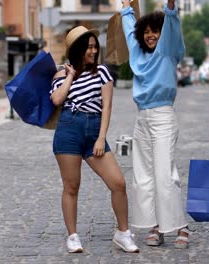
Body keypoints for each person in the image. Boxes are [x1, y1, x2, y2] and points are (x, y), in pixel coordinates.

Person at [50, 26, 139, 253]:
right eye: (88, 46)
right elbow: (57, 100)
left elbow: (107, 106)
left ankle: (123, 233)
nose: (93, 50)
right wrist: (70, 75)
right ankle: (72, 236)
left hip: (94, 131)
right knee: (71, 186)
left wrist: (101, 138)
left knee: (118, 183)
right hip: (68, 130)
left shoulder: (102, 72)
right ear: (77, 49)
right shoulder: (61, 74)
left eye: (94, 46)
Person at [121, 0, 190, 249]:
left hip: (163, 117)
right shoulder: (138, 54)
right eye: (146, 31)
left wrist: (170, 5)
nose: (150, 35)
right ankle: (155, 227)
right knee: (143, 176)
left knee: (164, 175)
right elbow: (130, 31)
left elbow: (171, 21)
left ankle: (181, 227)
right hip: (142, 118)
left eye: (155, 31)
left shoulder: (167, 50)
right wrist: (127, 8)